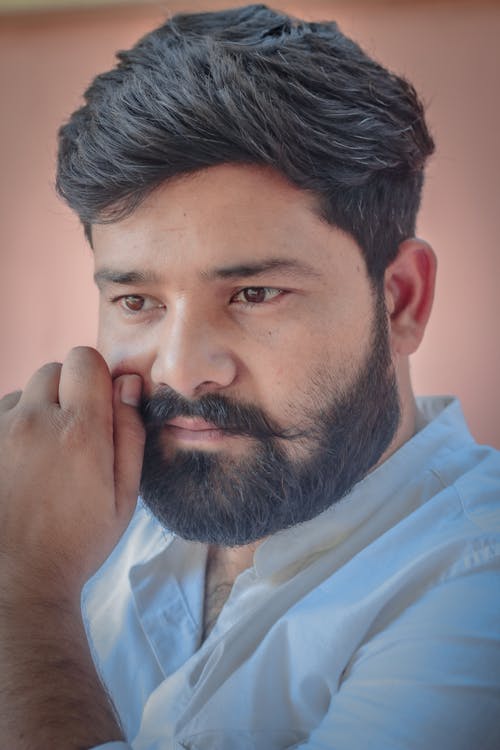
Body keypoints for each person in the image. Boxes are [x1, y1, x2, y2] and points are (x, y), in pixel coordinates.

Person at [0, 4, 499, 748]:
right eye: (136, 300)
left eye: (254, 295)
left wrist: (24, 596)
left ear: (401, 299)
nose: (181, 369)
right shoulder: (73, 510)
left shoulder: (478, 587)